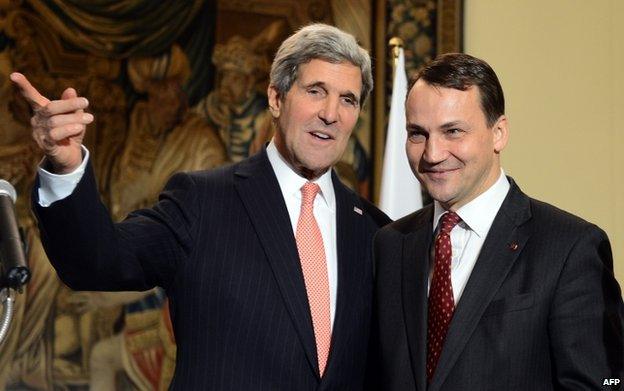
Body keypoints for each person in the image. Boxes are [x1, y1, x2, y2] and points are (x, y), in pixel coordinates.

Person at [12, 23, 390, 390]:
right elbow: (99, 261)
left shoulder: (375, 232)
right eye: (315, 91)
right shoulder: (203, 202)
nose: (331, 113)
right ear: (276, 98)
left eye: (348, 100)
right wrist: (66, 167)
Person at [369, 53, 624, 390]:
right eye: (418, 134)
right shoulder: (390, 244)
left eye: (453, 131)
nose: (432, 154)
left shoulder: (570, 247)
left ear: (499, 133)